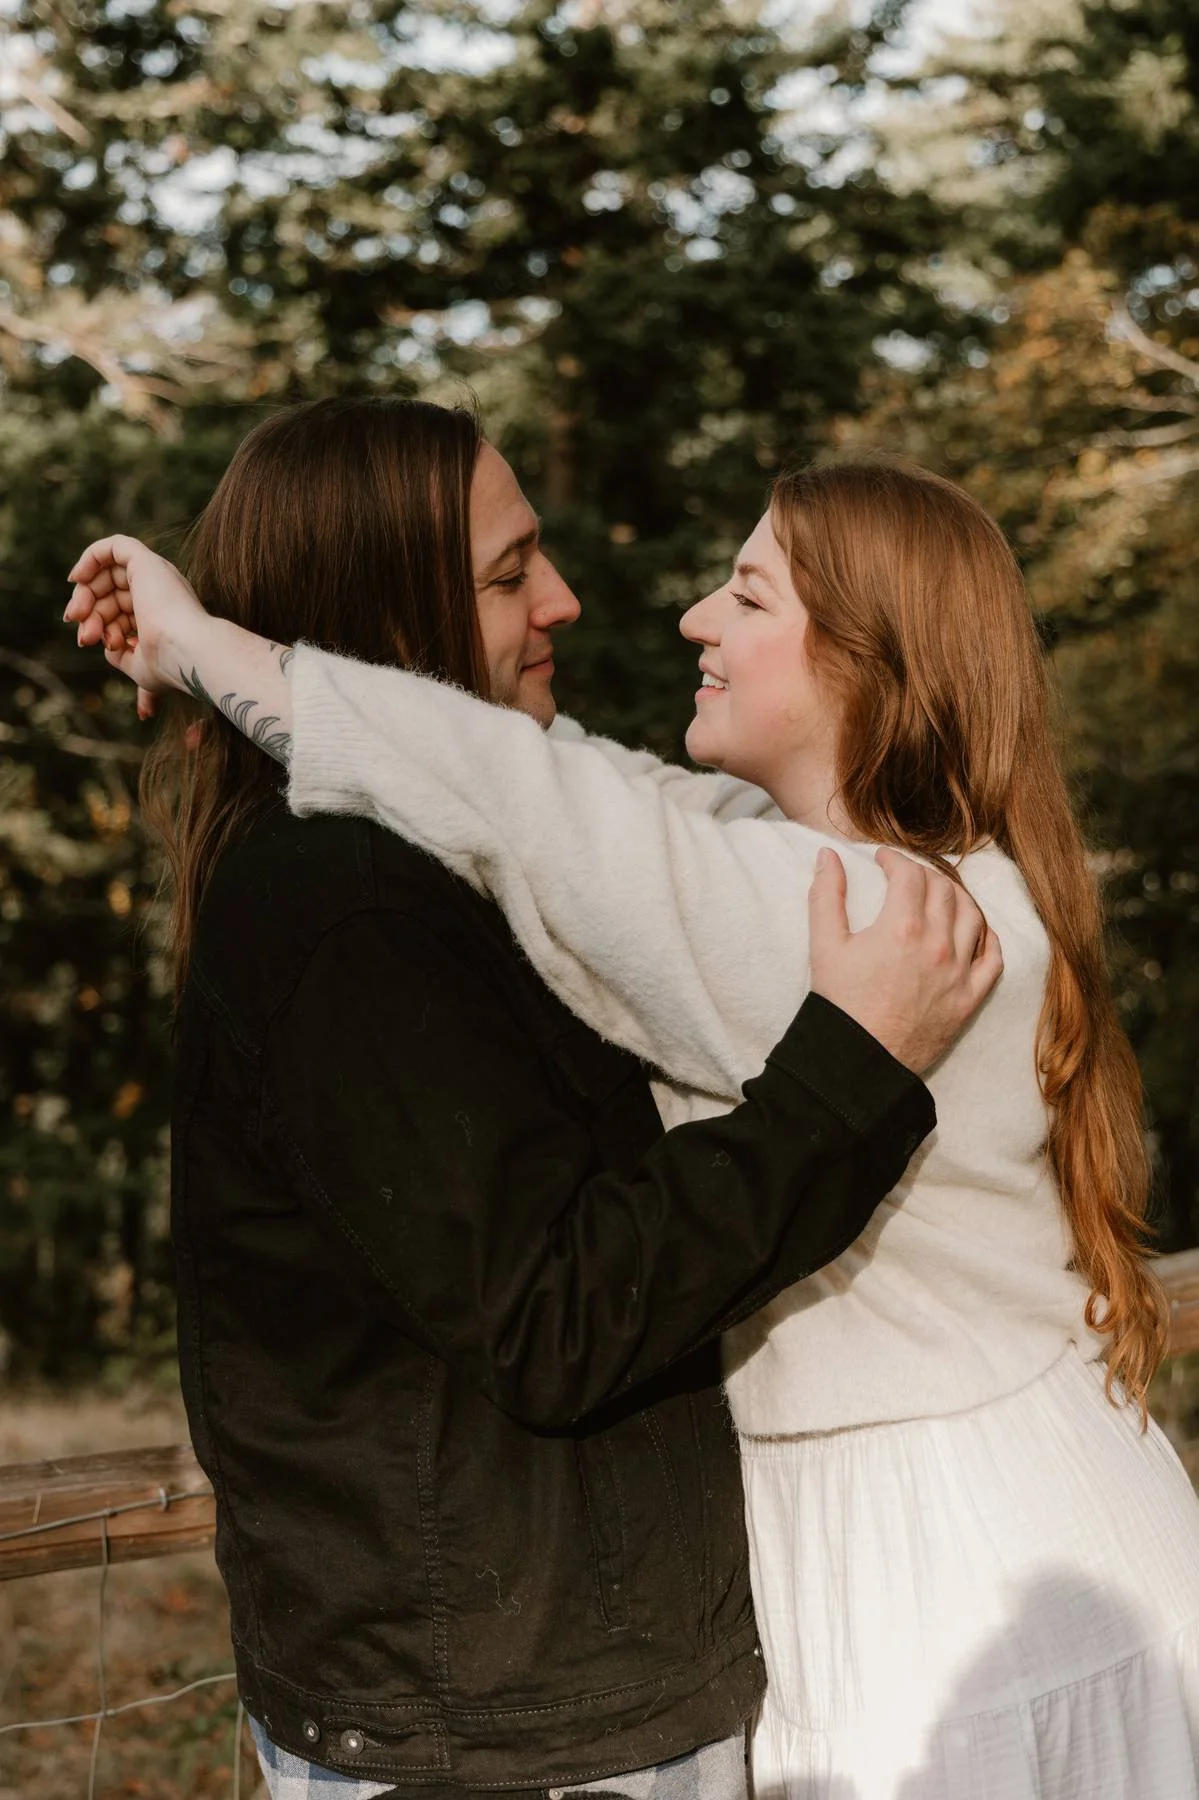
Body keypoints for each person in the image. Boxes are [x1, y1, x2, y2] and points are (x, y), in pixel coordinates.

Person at [70, 438, 1199, 1797]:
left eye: (749, 593)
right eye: (508, 572)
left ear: (868, 656)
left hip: (957, 1567)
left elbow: (548, 813)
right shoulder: (846, 872)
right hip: (959, 1534)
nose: (685, 617)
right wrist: (234, 657)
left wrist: (209, 647)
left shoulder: (874, 920)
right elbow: (594, 797)